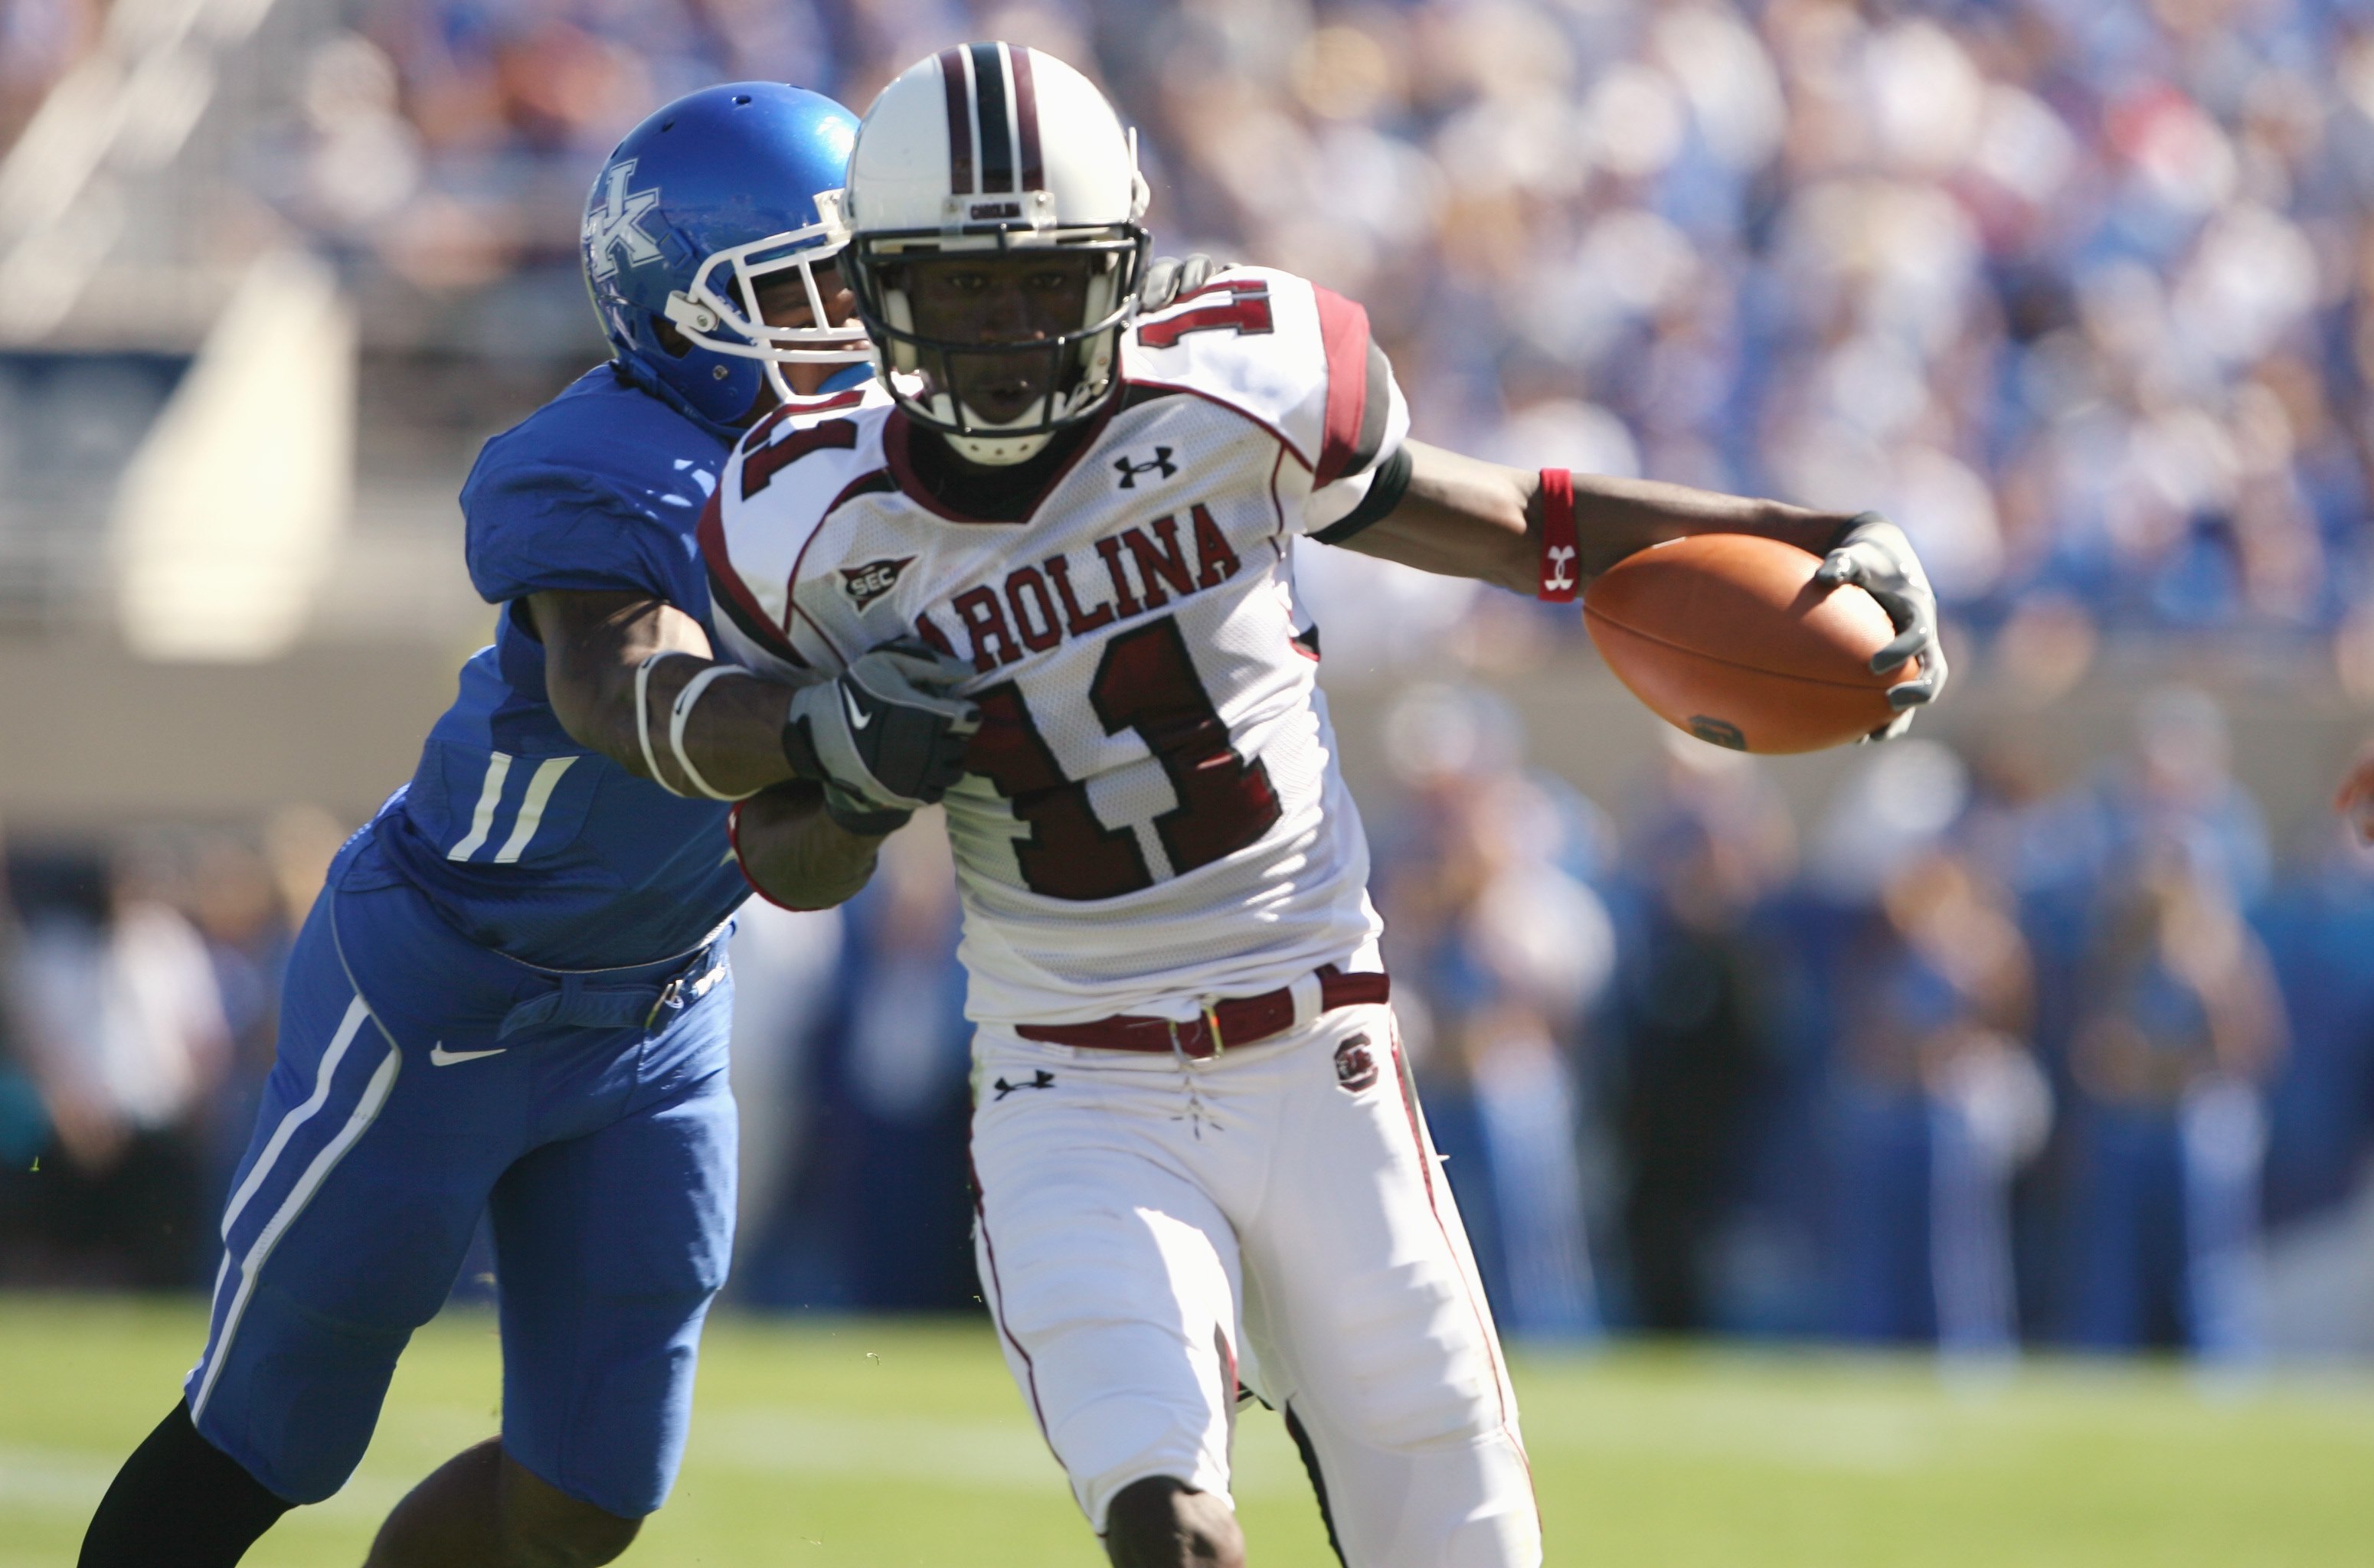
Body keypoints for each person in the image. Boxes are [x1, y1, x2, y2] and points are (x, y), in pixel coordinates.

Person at [674, 44, 1949, 1568]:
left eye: (1039, 283)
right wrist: (854, 773)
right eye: (957, 287)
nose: (1005, 332)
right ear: (881, 288)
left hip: (1319, 1049)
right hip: (1071, 1090)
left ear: (1120, 266)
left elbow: (1522, 526)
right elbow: (779, 861)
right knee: (1173, 1528)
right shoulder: (800, 516)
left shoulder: (1236, 387)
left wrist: (1798, 532)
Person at [76, 82, 875, 1568]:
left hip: (658, 1010)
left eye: (862, 280)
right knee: (272, 1427)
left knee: (590, 1486)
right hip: (448, 982)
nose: (854, 326)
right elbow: (613, 686)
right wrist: (832, 732)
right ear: (686, 309)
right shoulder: (604, 461)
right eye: (810, 289)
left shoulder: (882, 468)